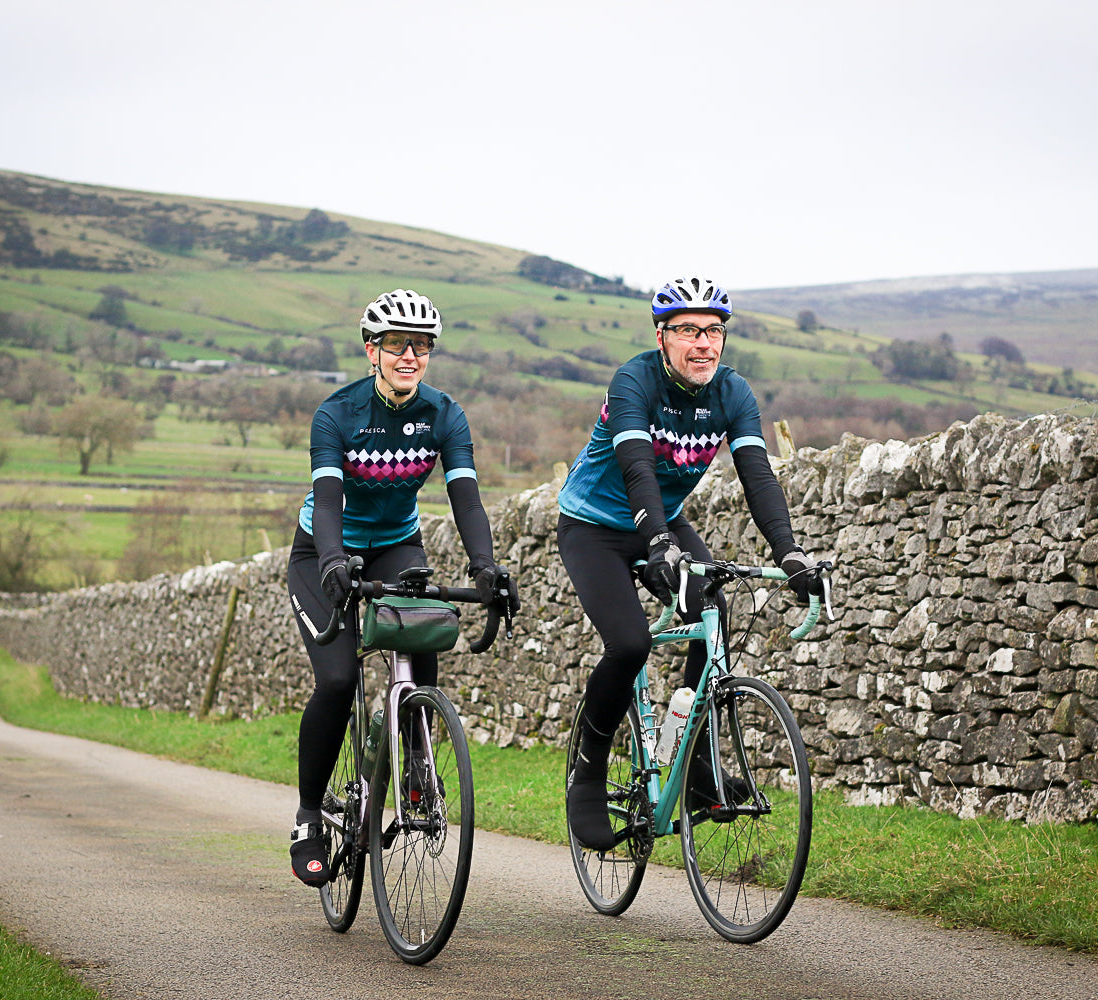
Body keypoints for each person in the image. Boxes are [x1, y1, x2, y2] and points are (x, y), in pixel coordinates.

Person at [557, 276, 825, 851]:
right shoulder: (634, 381)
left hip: (662, 522)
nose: (703, 343)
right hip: (595, 528)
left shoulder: (733, 393)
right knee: (628, 644)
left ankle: (699, 769)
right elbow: (637, 469)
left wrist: (791, 554)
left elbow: (758, 475)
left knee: (715, 608)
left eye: (714, 331)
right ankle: (588, 771)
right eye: (687, 331)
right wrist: (658, 543)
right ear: (662, 336)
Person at [287, 288, 514, 886]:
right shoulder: (337, 413)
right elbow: (330, 498)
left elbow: (465, 497)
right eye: (396, 345)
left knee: (423, 637)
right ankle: (310, 813)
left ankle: (416, 760)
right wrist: (334, 560)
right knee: (337, 679)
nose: (409, 356)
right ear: (372, 350)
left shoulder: (445, 414)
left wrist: (484, 565)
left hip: (396, 542)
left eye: (421, 346)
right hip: (322, 549)